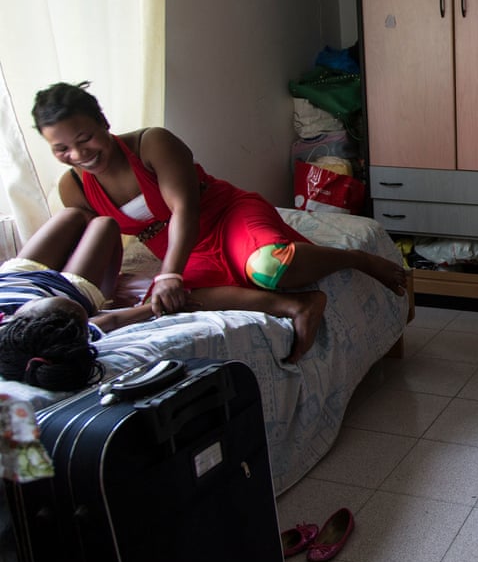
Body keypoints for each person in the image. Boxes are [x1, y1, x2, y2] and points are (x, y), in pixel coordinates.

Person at [31, 81, 407, 324]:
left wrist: (169, 273)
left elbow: (185, 209)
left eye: (85, 138)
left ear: (103, 122)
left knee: (268, 267)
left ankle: (356, 258)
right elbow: (101, 243)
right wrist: (97, 298)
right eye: (61, 149)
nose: (78, 154)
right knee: (173, 301)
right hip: (184, 248)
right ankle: (301, 304)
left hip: (224, 215)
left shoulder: (151, 144)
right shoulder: (73, 187)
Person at [0, 208, 334, 391]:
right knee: (104, 224)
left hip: (14, 277)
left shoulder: (15, 334)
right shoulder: (65, 337)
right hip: (73, 288)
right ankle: (300, 303)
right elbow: (111, 320)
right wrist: (159, 306)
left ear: (16, 321)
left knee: (74, 215)